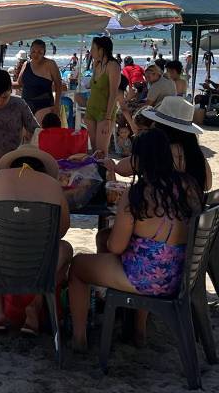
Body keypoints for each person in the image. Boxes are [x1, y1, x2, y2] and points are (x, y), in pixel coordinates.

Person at [69, 128, 202, 351]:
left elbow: (116, 247)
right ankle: (138, 329)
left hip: (145, 280)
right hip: (181, 275)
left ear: (139, 160)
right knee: (146, 252)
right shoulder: (189, 186)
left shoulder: (139, 194)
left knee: (78, 266)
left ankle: (79, 338)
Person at [0, 144, 72, 334]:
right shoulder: (52, 185)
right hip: (39, 265)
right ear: (42, 167)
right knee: (66, 249)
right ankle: (35, 305)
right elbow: (62, 230)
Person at [105, 96, 211, 192]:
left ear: (159, 126)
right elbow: (208, 185)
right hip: (191, 209)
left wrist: (110, 164)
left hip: (163, 208)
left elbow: (122, 169)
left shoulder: (158, 150)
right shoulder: (195, 152)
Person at [85, 36, 121, 157]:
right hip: (91, 109)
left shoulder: (113, 66)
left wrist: (108, 119)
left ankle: (106, 175)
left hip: (104, 112)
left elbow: (113, 94)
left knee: (101, 152)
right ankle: (97, 175)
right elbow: (91, 85)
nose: (91, 51)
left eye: (93, 48)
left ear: (101, 50)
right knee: (94, 150)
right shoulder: (97, 64)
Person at [13, 39, 62, 115]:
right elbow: (19, 84)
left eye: (40, 52)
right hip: (26, 105)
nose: (36, 54)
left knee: (40, 127)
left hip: (44, 106)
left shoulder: (50, 64)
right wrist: (3, 85)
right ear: (30, 52)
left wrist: (57, 106)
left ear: (44, 53)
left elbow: (58, 85)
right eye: (33, 51)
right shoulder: (26, 64)